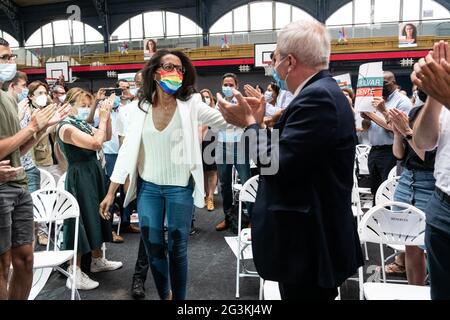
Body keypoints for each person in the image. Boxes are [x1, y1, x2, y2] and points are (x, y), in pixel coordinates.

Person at [217, 19, 363, 300]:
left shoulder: (316, 97)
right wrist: (258, 123)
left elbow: (275, 164)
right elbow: (296, 153)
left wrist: (248, 124)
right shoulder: (321, 92)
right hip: (310, 233)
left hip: (307, 241)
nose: (273, 66)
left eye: (274, 58)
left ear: (291, 61)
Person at [100, 49, 236, 300]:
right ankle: (166, 295)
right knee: (152, 246)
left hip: (180, 188)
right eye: (168, 66)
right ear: (154, 73)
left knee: (177, 246)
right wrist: (111, 191)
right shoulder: (140, 107)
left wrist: (252, 117)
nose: (174, 72)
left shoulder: (192, 104)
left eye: (179, 69)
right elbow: (128, 150)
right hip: (149, 188)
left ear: (184, 75)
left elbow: (225, 122)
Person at [0, 36, 69, 300]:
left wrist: (44, 128)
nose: (11, 62)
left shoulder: (7, 97)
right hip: (2, 188)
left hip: (18, 186)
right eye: (4, 58)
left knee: (25, 260)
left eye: (11, 56)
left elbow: (17, 150)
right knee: (2, 264)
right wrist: (32, 126)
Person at [57, 89, 122, 291]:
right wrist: (101, 119)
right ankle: (74, 271)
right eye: (83, 105)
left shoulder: (79, 122)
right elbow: (95, 143)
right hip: (80, 176)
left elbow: (106, 136)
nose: (86, 109)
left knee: (96, 215)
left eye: (88, 105)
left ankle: (97, 259)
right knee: (80, 221)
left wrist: (107, 114)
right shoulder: (65, 126)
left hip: (93, 173)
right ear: (69, 103)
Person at [412, 40, 450, 299]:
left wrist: (258, 130)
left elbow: (269, 161)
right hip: (442, 203)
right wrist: (435, 96)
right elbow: (424, 142)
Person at [387, 89, 435, 285]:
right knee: (411, 245)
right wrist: (398, 134)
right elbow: (399, 155)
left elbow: (429, 158)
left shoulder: (442, 116)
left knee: (433, 245)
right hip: (407, 180)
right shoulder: (415, 112)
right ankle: (414, 291)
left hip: (430, 183)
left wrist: (407, 132)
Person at [362, 71, 413, 200]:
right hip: (374, 151)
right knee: (375, 191)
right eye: (378, 84)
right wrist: (366, 118)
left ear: (394, 83)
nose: (380, 86)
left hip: (391, 152)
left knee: (389, 192)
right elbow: (367, 127)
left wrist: (376, 114)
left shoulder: (403, 101)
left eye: (384, 83)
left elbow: (399, 130)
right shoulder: (375, 100)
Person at [215, 73, 252, 232]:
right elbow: (216, 124)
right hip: (222, 146)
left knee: (246, 182)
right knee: (224, 184)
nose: (228, 87)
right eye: (225, 85)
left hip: (240, 146)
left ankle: (252, 219)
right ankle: (228, 217)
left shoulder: (242, 102)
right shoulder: (219, 103)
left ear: (236, 86)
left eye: (231, 84)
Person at [200, 89, 218, 211]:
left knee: (211, 170)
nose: (205, 99)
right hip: (198, 143)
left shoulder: (214, 112)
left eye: (207, 97)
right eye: (203, 97)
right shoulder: (195, 113)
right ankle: (205, 195)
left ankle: (211, 196)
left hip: (211, 142)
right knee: (202, 171)